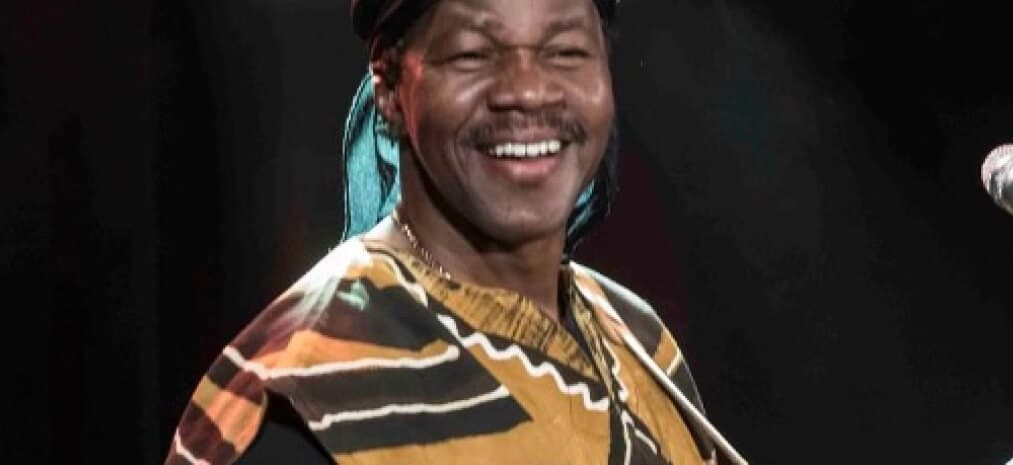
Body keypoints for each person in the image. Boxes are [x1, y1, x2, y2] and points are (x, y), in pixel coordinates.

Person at [163, 0, 743, 463]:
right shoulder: (313, 395)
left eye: (566, 51)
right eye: (471, 54)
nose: (527, 90)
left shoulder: (638, 342)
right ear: (389, 86)